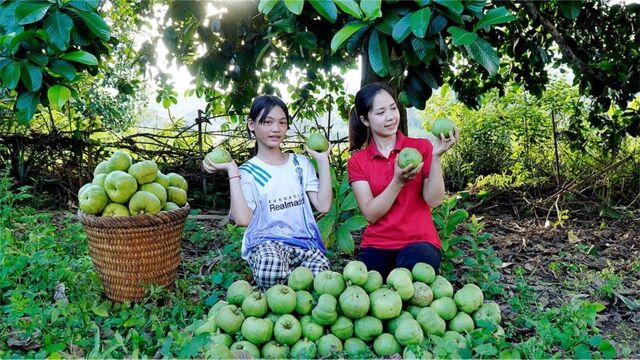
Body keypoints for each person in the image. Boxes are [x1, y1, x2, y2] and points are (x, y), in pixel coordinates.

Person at [202, 95, 332, 289]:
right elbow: (243, 220)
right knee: (270, 269)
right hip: (267, 244)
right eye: (267, 122)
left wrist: (322, 160)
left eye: (282, 122)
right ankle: (276, 292)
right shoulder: (248, 172)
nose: (276, 129)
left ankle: (281, 293)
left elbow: (323, 205)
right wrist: (233, 171)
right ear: (252, 125)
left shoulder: (300, 164)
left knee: (325, 285)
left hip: (305, 244)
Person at [347, 83, 459, 278]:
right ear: (365, 120)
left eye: (393, 108)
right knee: (366, 285)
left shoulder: (422, 148)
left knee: (411, 274)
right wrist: (397, 182)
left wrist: (435, 157)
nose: (390, 117)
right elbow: (371, 214)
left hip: (420, 242)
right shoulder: (358, 161)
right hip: (377, 244)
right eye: (381, 112)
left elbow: (434, 200)